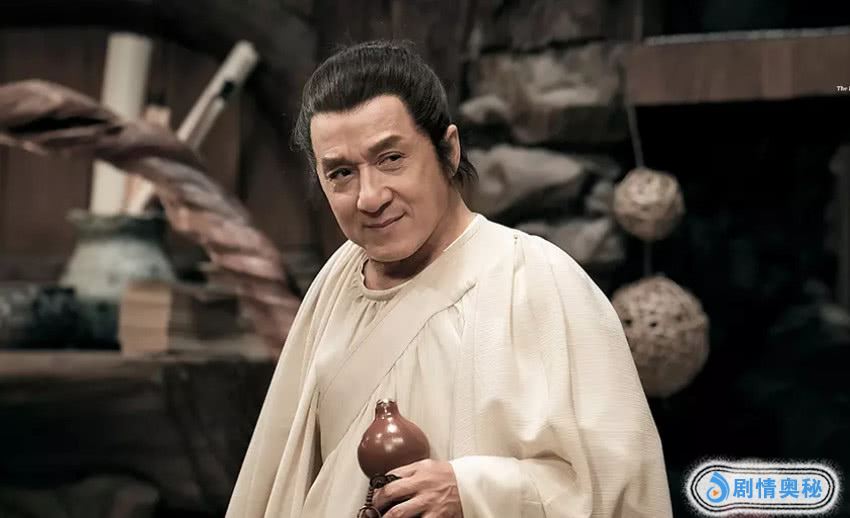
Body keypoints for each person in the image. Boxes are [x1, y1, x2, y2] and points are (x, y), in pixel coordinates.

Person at [226, 40, 673, 518]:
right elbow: (279, 478)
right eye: (341, 173)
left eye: (391, 158)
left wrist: (474, 491)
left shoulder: (537, 280)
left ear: (449, 150)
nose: (370, 197)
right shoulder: (334, 283)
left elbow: (622, 488)